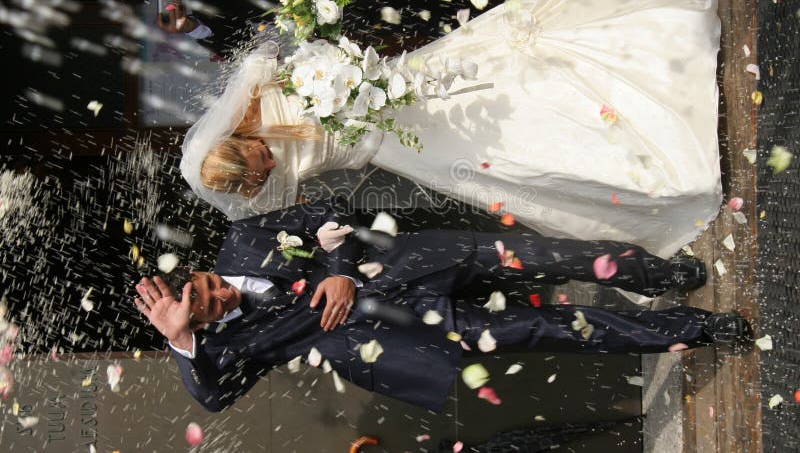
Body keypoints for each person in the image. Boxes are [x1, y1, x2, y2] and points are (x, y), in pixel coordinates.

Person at [180, 0, 722, 259]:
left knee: (505, 66)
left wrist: (329, 14)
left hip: (398, 80)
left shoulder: (256, 87)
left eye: (254, 159)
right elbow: (302, 221)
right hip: (399, 145)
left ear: (236, 139)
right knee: (509, 169)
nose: (265, 167)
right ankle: (631, 179)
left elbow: (302, 32)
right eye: (255, 176)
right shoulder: (271, 187)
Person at [134, 197, 752, 413]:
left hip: (412, 261)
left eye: (207, 287)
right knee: (556, 327)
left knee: (546, 255)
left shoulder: (242, 239)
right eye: (208, 308)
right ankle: (697, 327)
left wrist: (341, 269)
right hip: (407, 331)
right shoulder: (226, 346)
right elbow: (213, 398)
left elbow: (327, 212)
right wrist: (183, 341)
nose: (219, 297)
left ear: (199, 271)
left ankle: (663, 272)